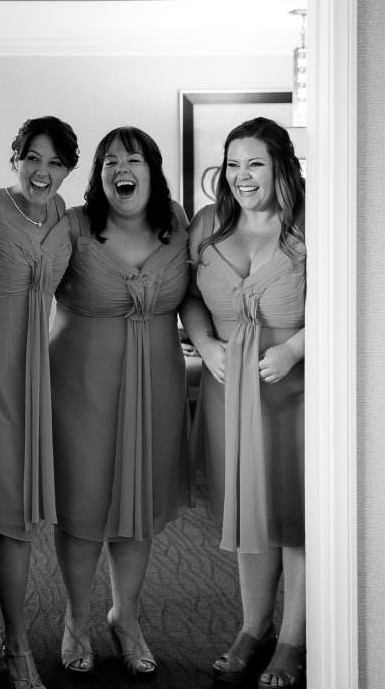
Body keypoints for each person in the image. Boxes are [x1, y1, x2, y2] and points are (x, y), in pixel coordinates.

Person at [49, 126, 190, 677]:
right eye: (108, 162)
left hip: (156, 379)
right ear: (97, 175)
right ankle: (74, 619)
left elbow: (199, 297)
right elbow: (25, 281)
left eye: (131, 159)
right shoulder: (74, 226)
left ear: (152, 171)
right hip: (80, 381)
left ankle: (125, 618)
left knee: (138, 505)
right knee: (84, 503)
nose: (119, 169)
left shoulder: (177, 223)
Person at [181, 117, 306, 688]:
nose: (241, 175)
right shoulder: (207, 222)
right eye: (233, 163)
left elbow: (349, 297)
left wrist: (297, 350)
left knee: (296, 518)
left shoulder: (309, 222)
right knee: (246, 512)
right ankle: (252, 629)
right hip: (228, 391)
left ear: (279, 164)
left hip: (297, 389)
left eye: (254, 163)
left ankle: (291, 642)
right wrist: (205, 345)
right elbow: (189, 298)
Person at [0, 116, 78, 689]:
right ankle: (12, 643)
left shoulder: (70, 221)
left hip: (34, 374)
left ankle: (13, 638)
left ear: (68, 168)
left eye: (55, 162)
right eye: (32, 158)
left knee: (20, 511)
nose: (42, 172)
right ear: (15, 158)